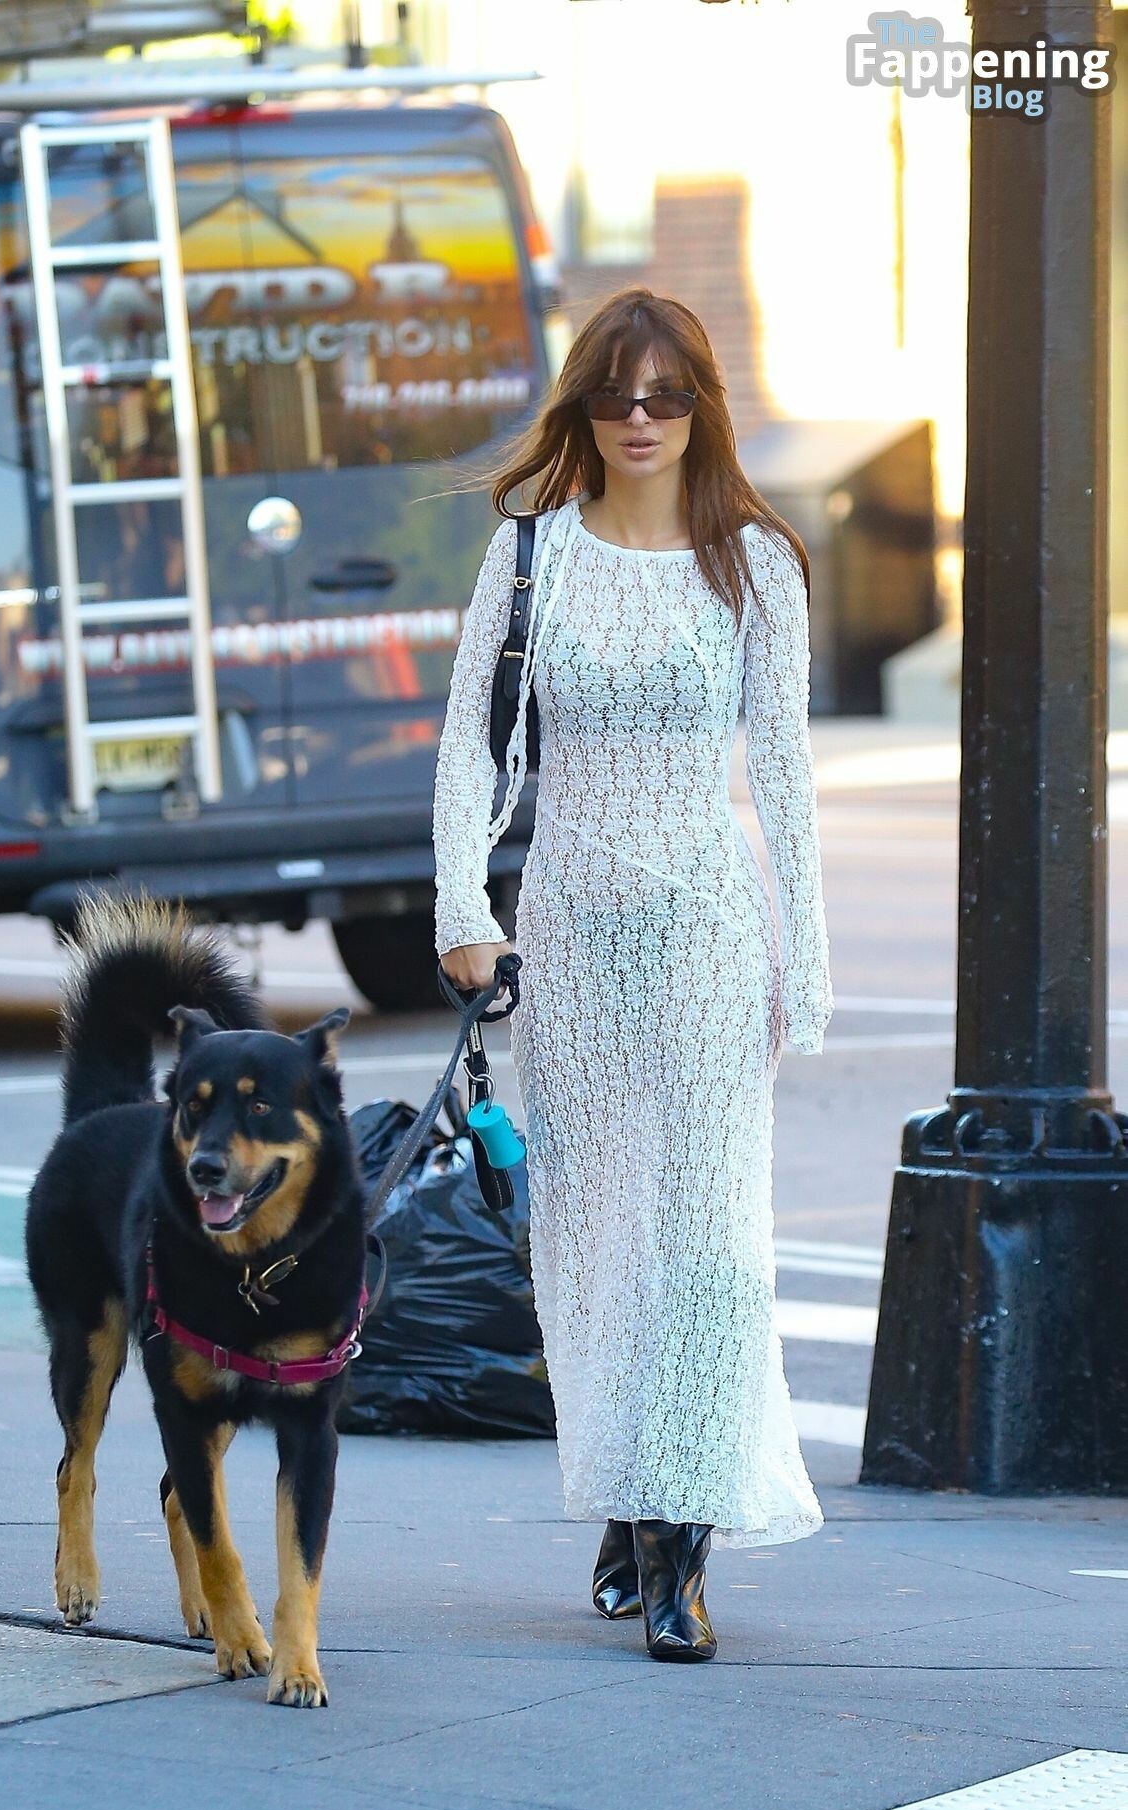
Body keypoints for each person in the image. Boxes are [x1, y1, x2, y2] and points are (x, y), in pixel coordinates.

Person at [432, 287, 833, 1663]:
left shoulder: (755, 564)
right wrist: (461, 909)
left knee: (711, 1240)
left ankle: (681, 1544)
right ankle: (632, 1488)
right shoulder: (531, 557)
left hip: (712, 927)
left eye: (667, 396)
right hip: (574, 930)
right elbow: (469, 745)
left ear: (702, 407)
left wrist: (804, 960)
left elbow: (786, 774)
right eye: (616, 396)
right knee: (599, 1237)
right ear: (585, 411)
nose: (642, 419)